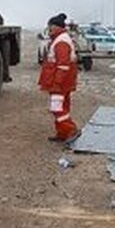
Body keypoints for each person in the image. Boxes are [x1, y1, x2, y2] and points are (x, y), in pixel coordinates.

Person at [38, 13, 80, 142]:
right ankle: (62, 133)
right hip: (63, 82)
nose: (49, 29)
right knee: (63, 107)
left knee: (57, 108)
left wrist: (56, 83)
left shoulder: (61, 41)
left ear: (55, 27)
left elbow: (62, 66)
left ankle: (70, 130)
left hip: (60, 84)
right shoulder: (62, 39)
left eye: (50, 26)